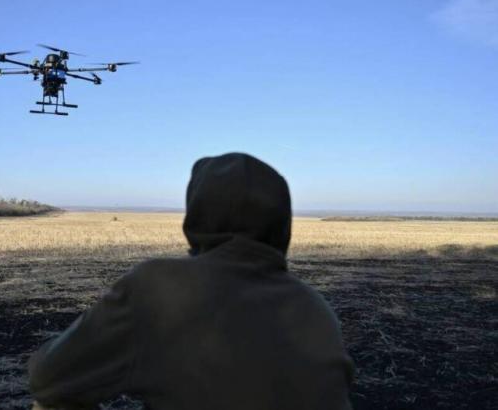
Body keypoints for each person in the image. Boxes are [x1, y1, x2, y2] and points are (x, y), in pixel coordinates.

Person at [28, 152, 354, 410]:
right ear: (283, 224)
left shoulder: (158, 288)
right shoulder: (317, 309)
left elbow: (48, 379)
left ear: (197, 215)